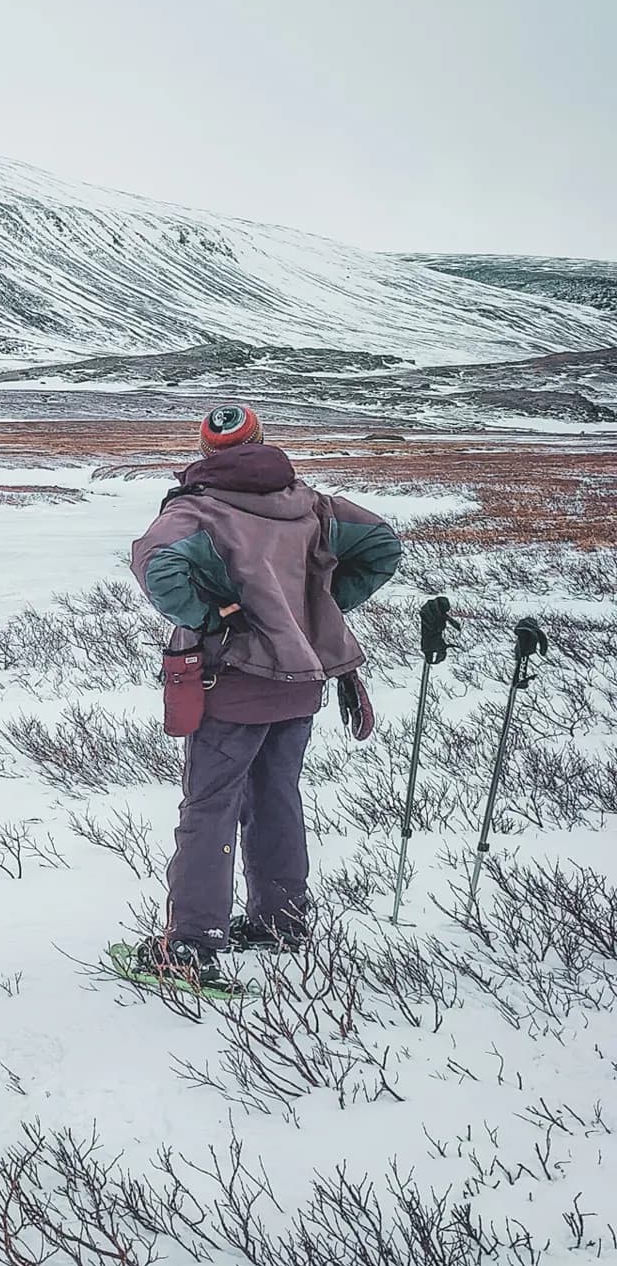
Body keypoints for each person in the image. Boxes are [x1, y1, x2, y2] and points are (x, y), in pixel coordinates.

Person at [129, 404, 401, 981]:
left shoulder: (198, 508)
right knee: (276, 795)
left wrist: (213, 619)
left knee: (209, 805)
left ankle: (191, 944)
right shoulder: (310, 504)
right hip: (300, 684)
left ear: (206, 451)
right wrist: (314, 615)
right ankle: (282, 920)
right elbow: (381, 544)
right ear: (260, 439)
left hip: (231, 679)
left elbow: (155, 565)